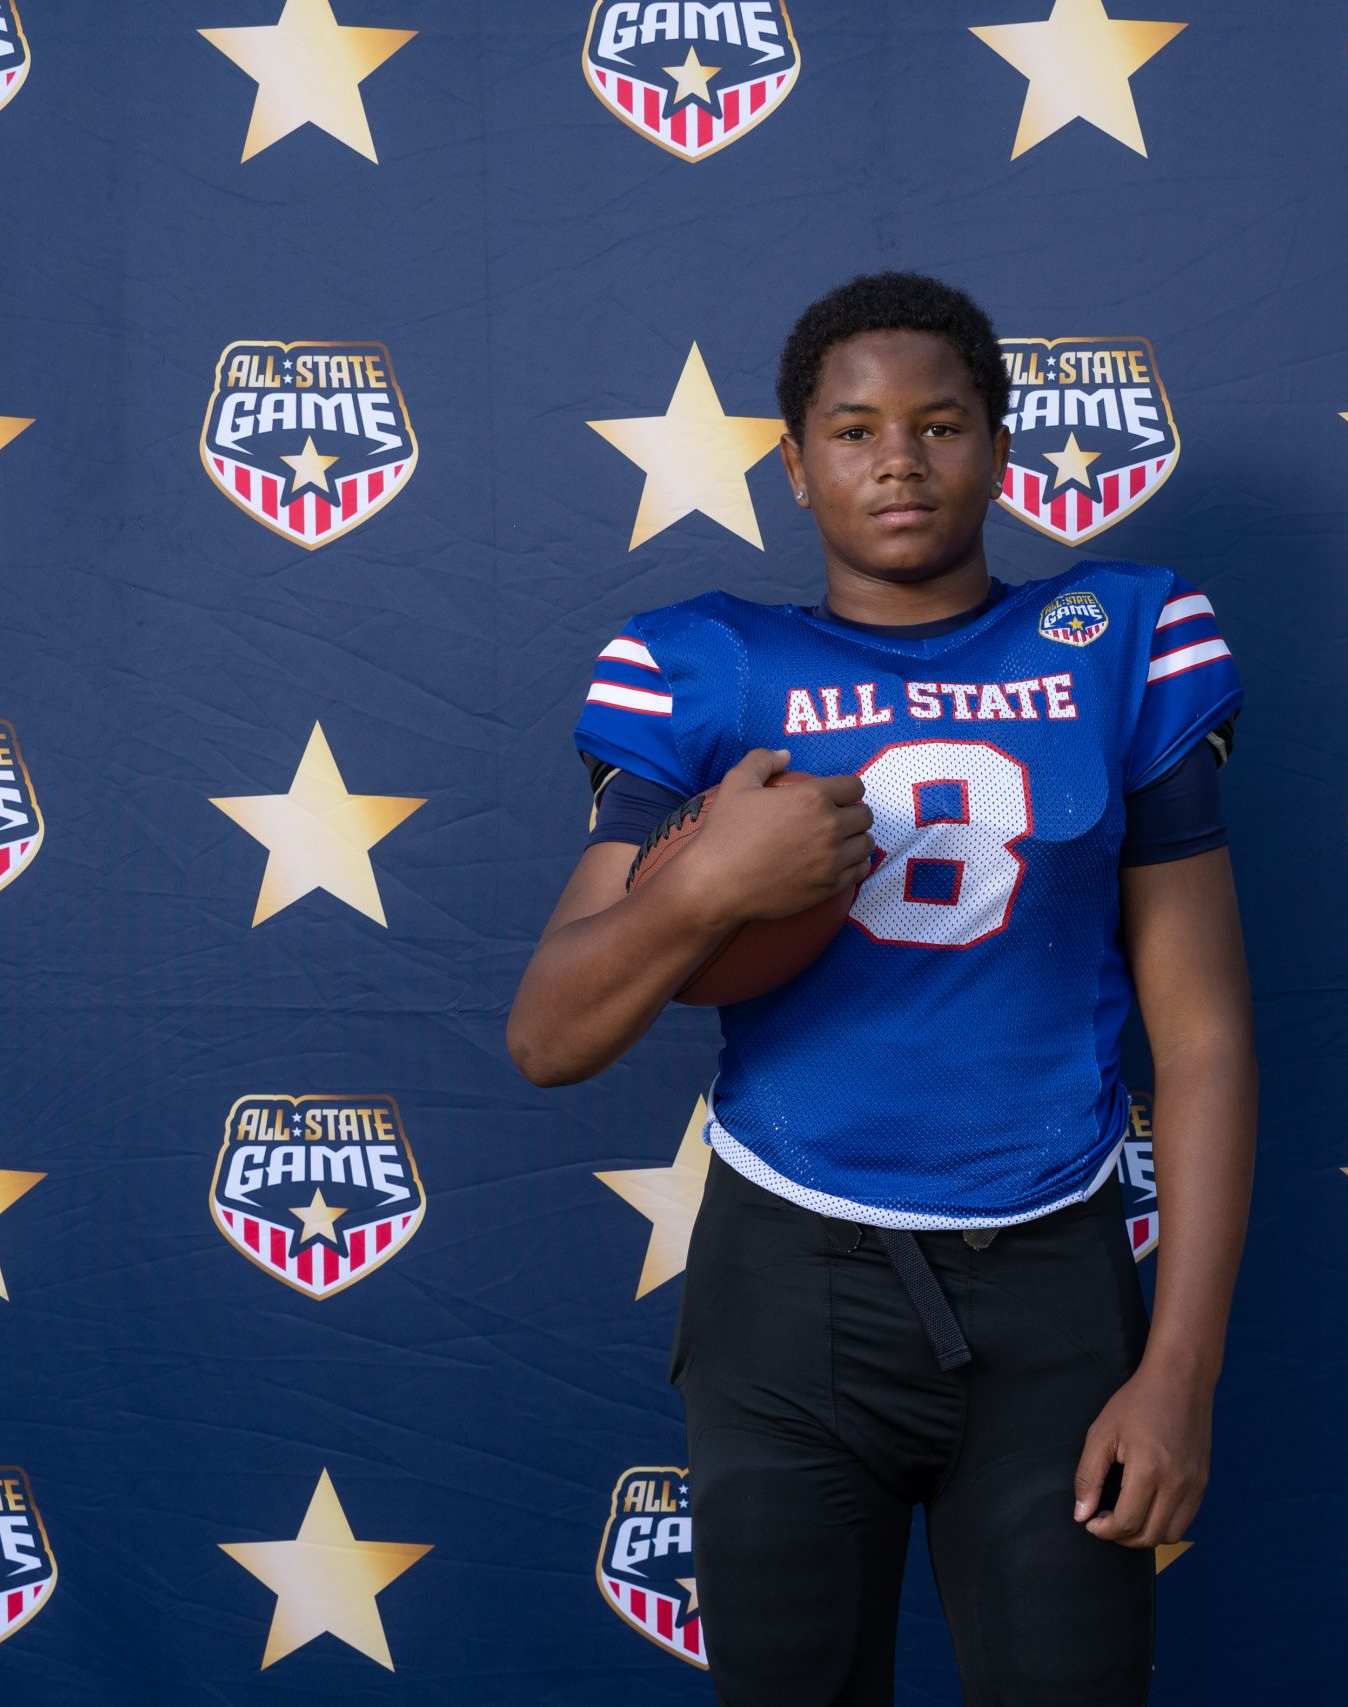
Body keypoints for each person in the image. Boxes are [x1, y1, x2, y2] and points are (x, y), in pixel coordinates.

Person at [508, 272, 1256, 1706]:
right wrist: (710, 885)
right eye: (853, 431)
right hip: (787, 1283)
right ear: (795, 466)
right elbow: (550, 1034)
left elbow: (1206, 1036)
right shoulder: (708, 665)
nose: (899, 460)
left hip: (1054, 1276)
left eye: (940, 424)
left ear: (1001, 449)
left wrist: (1181, 1370)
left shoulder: (1122, 638)